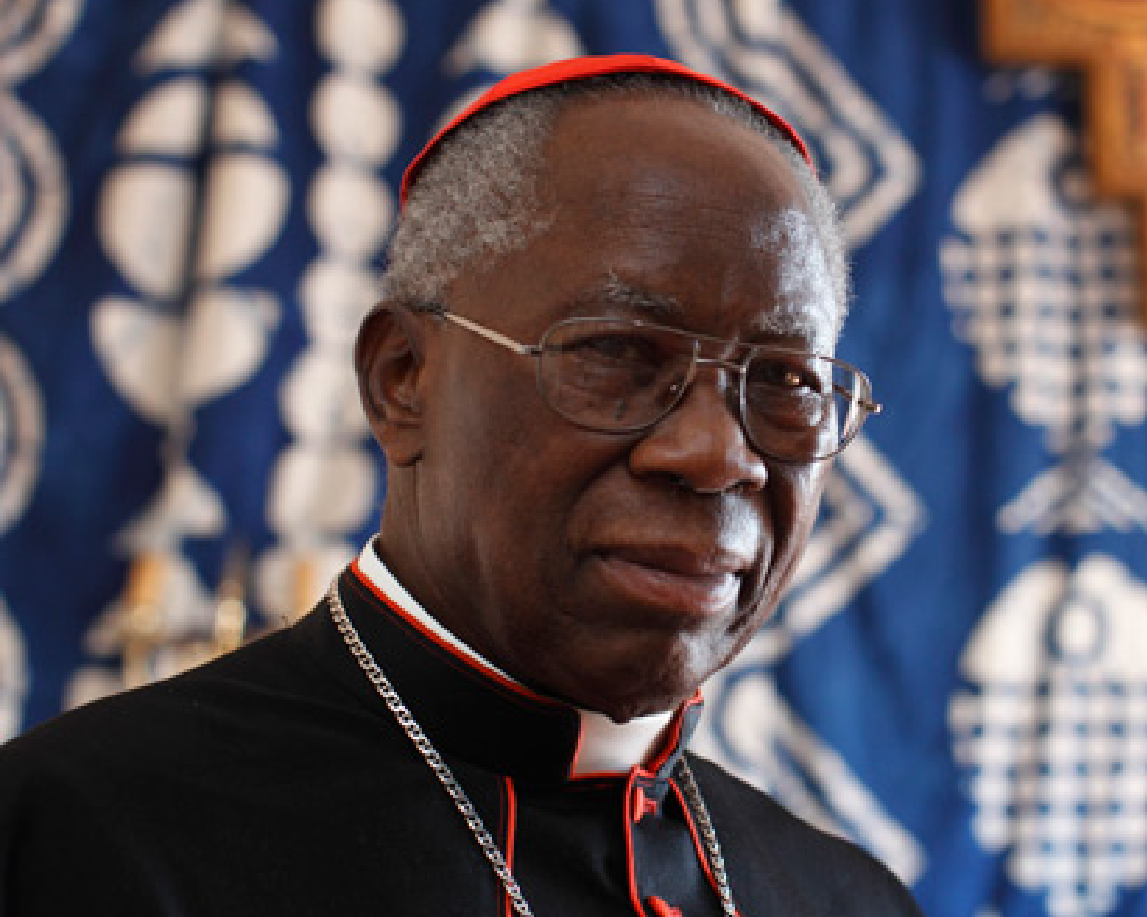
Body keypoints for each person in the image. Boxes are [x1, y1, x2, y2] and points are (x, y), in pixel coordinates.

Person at [0, 55, 919, 916]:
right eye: (615, 351)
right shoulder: (73, 838)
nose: (719, 457)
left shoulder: (843, 896)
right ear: (403, 379)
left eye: (786, 382)